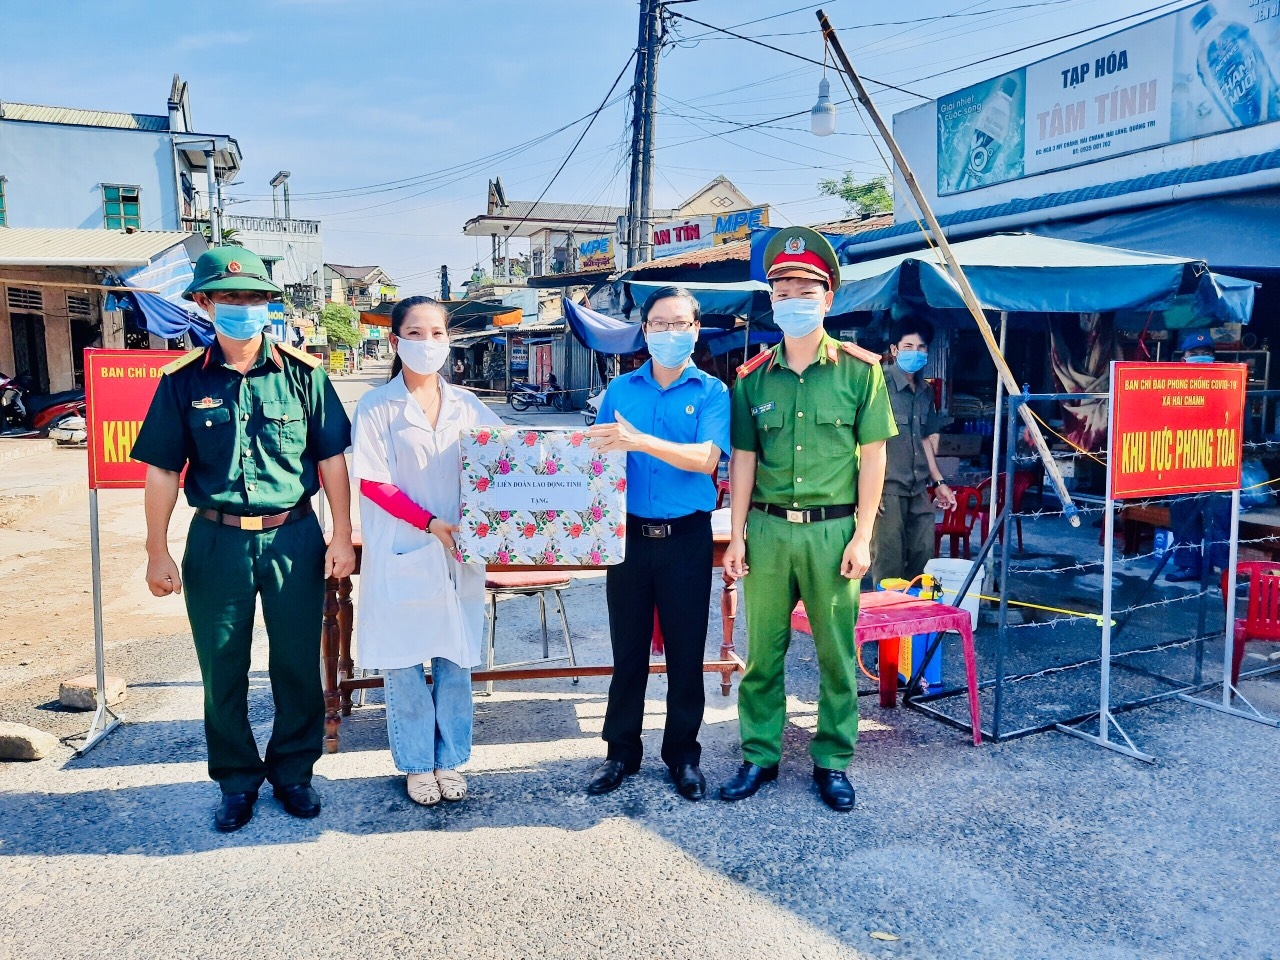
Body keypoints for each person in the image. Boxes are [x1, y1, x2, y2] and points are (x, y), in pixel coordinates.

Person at [132, 246, 356, 833]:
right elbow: (160, 471)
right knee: (221, 666)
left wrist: (342, 534)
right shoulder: (182, 382)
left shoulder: (304, 375)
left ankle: (293, 772)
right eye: (230, 297)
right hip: (216, 541)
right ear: (204, 303)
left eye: (254, 297)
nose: (243, 308)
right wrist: (155, 550)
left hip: (294, 537)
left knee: (296, 663)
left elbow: (331, 458)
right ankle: (235, 779)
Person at [722, 226, 897, 812]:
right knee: (763, 651)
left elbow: (874, 458)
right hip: (768, 532)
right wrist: (737, 535)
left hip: (833, 532)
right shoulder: (752, 379)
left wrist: (864, 535)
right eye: (782, 290)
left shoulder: (860, 372)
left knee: (835, 652)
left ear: (828, 299)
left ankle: (833, 759)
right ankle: (760, 755)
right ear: (771, 301)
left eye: (806, 289)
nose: (793, 299)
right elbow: (743, 461)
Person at [350, 296, 502, 806]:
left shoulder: (467, 405)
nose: (428, 343)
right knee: (406, 661)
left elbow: (509, 460)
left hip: (459, 552)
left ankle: (453, 761)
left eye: (437, 333)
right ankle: (417, 764)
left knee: (456, 657)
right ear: (396, 341)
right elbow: (374, 484)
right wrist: (431, 523)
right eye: (415, 333)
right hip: (405, 547)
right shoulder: (377, 406)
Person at [584, 286, 731, 801]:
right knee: (628, 651)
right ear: (644, 331)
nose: (670, 333)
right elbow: (594, 462)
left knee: (686, 652)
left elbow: (707, 459)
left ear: (696, 330)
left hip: (686, 537)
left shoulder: (712, 392)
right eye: (659, 324)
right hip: (628, 536)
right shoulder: (620, 391)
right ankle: (620, 752)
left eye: (680, 324)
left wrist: (641, 441)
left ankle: (682, 756)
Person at [872, 316, 956, 586]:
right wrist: (867, 493)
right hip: (886, 490)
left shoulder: (924, 391)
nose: (916, 352)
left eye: (921, 348)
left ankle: (913, 624)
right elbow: (859, 441)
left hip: (918, 489)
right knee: (889, 565)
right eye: (908, 346)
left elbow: (924, 440)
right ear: (895, 350)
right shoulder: (877, 385)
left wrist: (939, 481)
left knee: (923, 560)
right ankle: (888, 627)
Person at [1166, 329, 1231, 583]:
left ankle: (1223, 571)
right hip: (1183, 457)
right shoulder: (1172, 383)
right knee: (1184, 515)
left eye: (1206, 353)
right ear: (1184, 357)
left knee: (1219, 519)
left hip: (1217, 459)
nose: (1201, 357)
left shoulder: (1227, 382)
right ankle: (1188, 565)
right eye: (1195, 353)